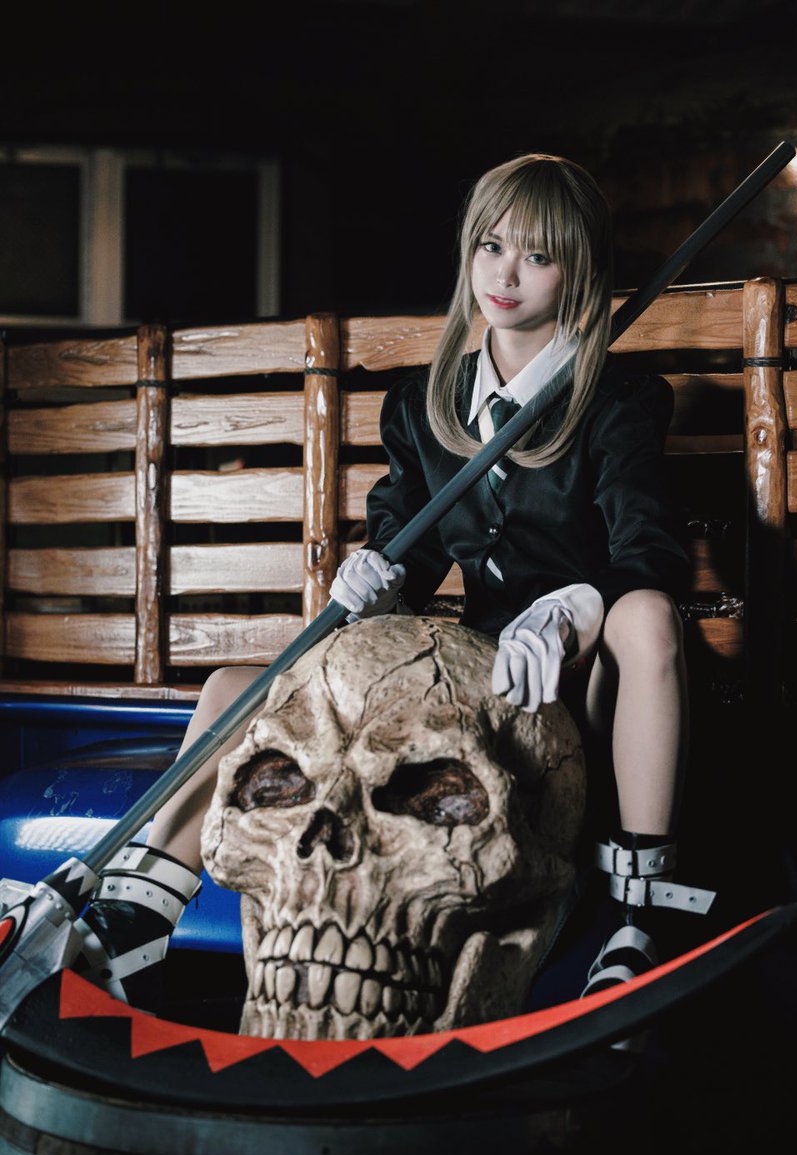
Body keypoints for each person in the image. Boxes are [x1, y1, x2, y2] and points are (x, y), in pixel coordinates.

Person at [75, 152, 715, 1012]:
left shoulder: (618, 400)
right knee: (232, 688)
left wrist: (573, 614)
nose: (506, 275)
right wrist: (375, 582)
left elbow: (649, 553)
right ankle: (131, 923)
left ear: (582, 270)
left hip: (575, 685)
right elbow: (407, 555)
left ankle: (639, 916)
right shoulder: (424, 406)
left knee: (648, 615)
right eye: (491, 247)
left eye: (538, 256)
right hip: (474, 673)